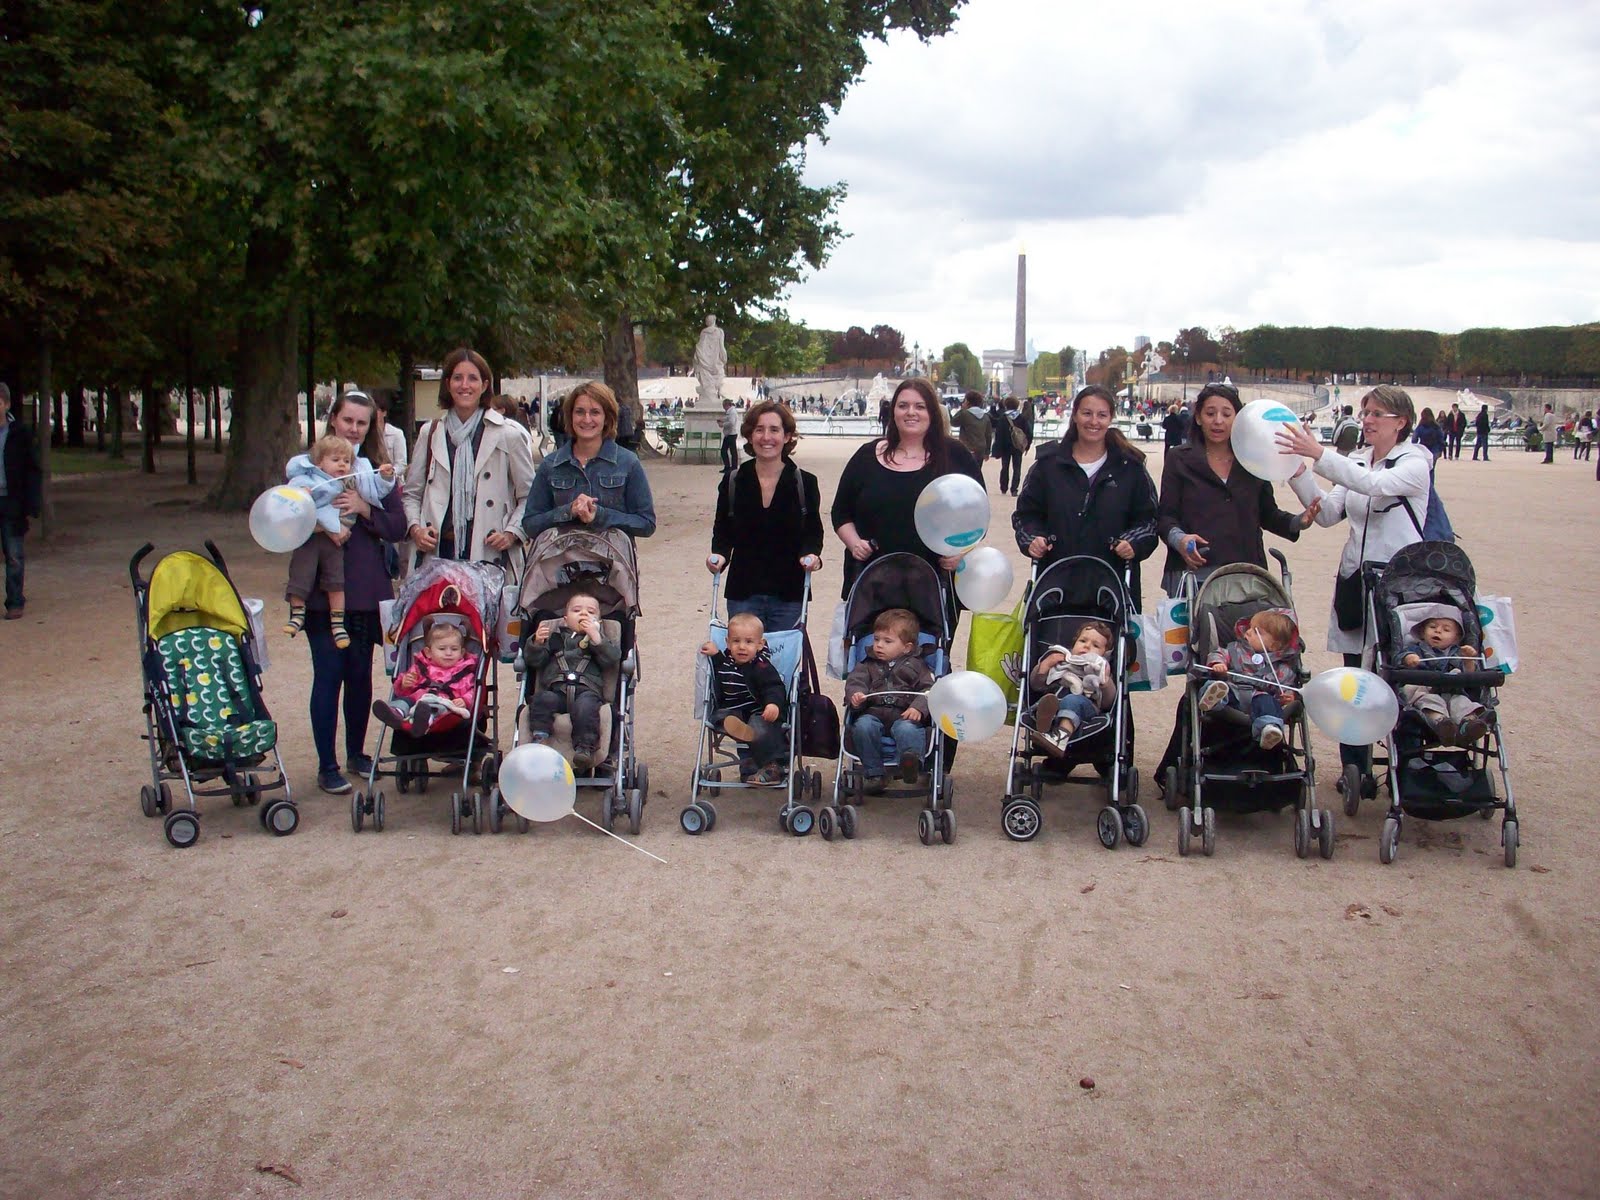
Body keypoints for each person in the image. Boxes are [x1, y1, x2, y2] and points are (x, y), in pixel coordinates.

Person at [1275, 385, 1433, 780]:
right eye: (1366, 413)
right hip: (1356, 581)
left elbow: (1375, 486)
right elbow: (1330, 513)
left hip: (1398, 586)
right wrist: (1297, 472)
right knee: (1355, 679)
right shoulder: (1360, 461)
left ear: (1401, 422)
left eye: (1377, 413)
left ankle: (1407, 761)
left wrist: (1320, 455)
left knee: (1399, 672)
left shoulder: (1415, 462)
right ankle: (1354, 766)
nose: (1367, 420)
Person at [303, 390, 409, 795]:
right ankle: (326, 764)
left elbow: (397, 525)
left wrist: (364, 508)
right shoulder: (310, 468)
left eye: (361, 423)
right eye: (348, 420)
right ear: (334, 419)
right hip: (323, 589)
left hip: (365, 589)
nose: (353, 429)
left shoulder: (375, 473)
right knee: (328, 675)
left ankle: (356, 753)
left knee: (360, 676)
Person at [1156, 383, 1317, 597]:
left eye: (1226, 414)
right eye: (1210, 413)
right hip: (1194, 573)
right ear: (1198, 418)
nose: (1218, 421)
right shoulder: (1178, 458)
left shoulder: (1252, 458)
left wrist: (1298, 522)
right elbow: (1166, 517)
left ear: (1239, 418)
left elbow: (1267, 513)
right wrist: (1181, 540)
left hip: (1245, 572)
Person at [832, 378, 982, 604]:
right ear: (893, 412)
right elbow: (841, 512)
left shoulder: (955, 455)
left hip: (934, 582)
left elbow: (977, 514)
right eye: (903, 406)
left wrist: (962, 552)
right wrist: (854, 543)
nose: (911, 412)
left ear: (932, 412)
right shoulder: (866, 456)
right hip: (872, 580)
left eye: (920, 406)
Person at [1013, 384, 1160, 610]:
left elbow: (1149, 519)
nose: (1094, 421)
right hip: (1055, 583)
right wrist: (1032, 539)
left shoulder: (1130, 468)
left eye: (1102, 415)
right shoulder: (1047, 465)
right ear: (1074, 415)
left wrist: (1133, 541)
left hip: (1112, 586)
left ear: (1111, 418)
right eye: (1087, 413)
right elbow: (1025, 515)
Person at [403, 347, 534, 573]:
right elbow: (412, 494)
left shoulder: (509, 434)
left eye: (472, 378)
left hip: (489, 553)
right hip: (438, 551)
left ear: (484, 385)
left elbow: (530, 496)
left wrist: (512, 533)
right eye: (457, 378)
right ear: (448, 384)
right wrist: (416, 530)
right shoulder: (431, 432)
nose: (465, 385)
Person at [706, 400, 823, 632]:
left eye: (774, 430)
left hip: (788, 592)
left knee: (784, 655)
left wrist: (812, 555)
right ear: (750, 436)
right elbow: (722, 530)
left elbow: (813, 531)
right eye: (759, 429)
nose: (766, 437)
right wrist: (719, 555)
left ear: (787, 436)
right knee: (743, 653)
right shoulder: (733, 481)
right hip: (743, 590)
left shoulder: (805, 482)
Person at [283, 433, 397, 647]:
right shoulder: (307, 478)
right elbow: (289, 503)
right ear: (319, 462)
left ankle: (338, 624)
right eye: (336, 460)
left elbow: (379, 491)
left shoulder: (353, 479)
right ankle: (297, 614)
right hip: (312, 539)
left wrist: (385, 477)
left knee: (336, 581)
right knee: (301, 575)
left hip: (337, 543)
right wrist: (302, 494)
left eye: (346, 461)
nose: (342, 465)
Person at [522, 380, 656, 542]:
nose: (586, 419)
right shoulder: (550, 465)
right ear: (570, 416)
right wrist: (568, 511)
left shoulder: (628, 463)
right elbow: (530, 524)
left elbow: (646, 523)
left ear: (607, 418)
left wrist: (600, 515)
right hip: (562, 556)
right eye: (579, 412)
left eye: (595, 412)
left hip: (612, 556)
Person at [523, 588, 620, 772]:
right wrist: (536, 644)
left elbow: (612, 659)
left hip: (586, 691)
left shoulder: (599, 642)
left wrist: (596, 638)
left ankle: (585, 748)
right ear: (565, 620)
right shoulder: (555, 639)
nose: (583, 614)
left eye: (590, 612)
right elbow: (535, 661)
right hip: (556, 690)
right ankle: (539, 735)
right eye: (577, 610)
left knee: (586, 708)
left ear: (598, 622)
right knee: (542, 699)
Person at [845, 607, 932, 793]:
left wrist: (918, 707)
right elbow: (855, 681)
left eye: (887, 641)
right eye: (876, 639)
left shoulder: (917, 666)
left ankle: (910, 763)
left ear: (907, 647)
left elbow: (929, 689)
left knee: (908, 729)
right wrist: (856, 695)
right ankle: (874, 773)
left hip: (904, 714)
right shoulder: (866, 664)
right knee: (863, 727)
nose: (879, 645)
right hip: (873, 712)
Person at [701, 611, 788, 783]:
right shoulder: (727, 661)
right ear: (727, 643)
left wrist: (773, 704)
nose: (741, 647)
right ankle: (741, 730)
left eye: (748, 642)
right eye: (736, 641)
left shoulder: (761, 666)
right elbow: (722, 667)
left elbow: (774, 687)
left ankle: (772, 767)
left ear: (760, 645)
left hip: (758, 711)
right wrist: (715, 654)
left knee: (760, 725)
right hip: (733, 712)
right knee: (718, 716)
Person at [1198, 608, 1298, 751]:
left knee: (1268, 703)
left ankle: (1269, 729)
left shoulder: (1282, 667)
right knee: (1218, 686)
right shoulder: (1236, 649)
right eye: (1250, 627)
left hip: (1258, 697)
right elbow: (1218, 653)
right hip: (1233, 690)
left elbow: (1286, 686)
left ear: (1274, 645)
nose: (1249, 632)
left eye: (1257, 632)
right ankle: (1212, 700)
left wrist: (1287, 696)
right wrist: (1218, 663)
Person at [371, 621, 481, 738]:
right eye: (442, 649)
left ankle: (424, 722)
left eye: (454, 649)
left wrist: (464, 700)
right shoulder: (420, 667)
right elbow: (404, 691)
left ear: (462, 653)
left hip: (444, 703)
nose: (448, 653)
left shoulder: (464, 673)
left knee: (436, 709)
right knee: (405, 701)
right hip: (417, 699)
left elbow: (471, 691)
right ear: (428, 652)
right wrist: (404, 684)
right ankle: (396, 713)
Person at [1397, 611, 1488, 747]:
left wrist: (1468, 660)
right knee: (1430, 702)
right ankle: (1442, 723)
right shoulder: (1416, 649)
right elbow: (1400, 658)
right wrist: (1408, 658)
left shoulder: (1459, 652)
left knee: (1462, 703)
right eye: (1432, 627)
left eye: (1446, 630)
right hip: (1426, 691)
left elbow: (1470, 675)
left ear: (1456, 638)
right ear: (1422, 633)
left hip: (1453, 692)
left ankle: (1468, 725)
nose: (1438, 631)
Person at [1026, 619, 1116, 754]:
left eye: (1095, 645)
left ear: (1105, 654)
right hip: (1054, 703)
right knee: (1045, 701)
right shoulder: (1062, 661)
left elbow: (1108, 703)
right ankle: (1045, 722)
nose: (1087, 646)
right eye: (1083, 641)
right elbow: (1036, 686)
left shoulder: (1100, 669)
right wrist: (1045, 667)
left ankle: (1060, 739)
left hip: (1085, 706)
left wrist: (1105, 683)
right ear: (1074, 644)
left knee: (1072, 700)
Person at [0, 383, 42, 620]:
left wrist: (31, 503)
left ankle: (15, 601)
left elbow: (32, 470)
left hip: (12, 501)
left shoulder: (20, 434)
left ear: (6, 404)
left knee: (14, 554)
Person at [951, 392, 992, 487]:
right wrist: (987, 452)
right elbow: (988, 435)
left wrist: (962, 409)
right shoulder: (985, 416)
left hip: (967, 447)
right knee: (977, 471)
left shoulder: (965, 414)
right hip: (981, 448)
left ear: (968, 402)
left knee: (965, 473)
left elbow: (953, 422)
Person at [992, 398, 1027, 496]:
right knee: (1017, 468)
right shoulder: (1021, 418)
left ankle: (1004, 487)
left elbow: (999, 434)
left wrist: (997, 447)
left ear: (1006, 405)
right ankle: (1014, 489)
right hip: (1018, 446)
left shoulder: (1003, 418)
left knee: (1005, 467)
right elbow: (1027, 432)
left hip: (1005, 446)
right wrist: (1026, 445)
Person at [370, 389, 409, 477]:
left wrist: (391, 472)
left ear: (384, 412)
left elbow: (401, 464)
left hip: (392, 479)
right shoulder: (366, 434)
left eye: (376, 410)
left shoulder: (396, 434)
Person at [719, 397, 740, 476]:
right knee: (731, 451)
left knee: (726, 451)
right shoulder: (731, 411)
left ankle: (730, 467)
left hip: (731, 434)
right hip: (730, 433)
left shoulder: (732, 412)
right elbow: (729, 419)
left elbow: (731, 423)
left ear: (726, 405)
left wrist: (723, 424)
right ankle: (731, 466)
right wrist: (723, 420)